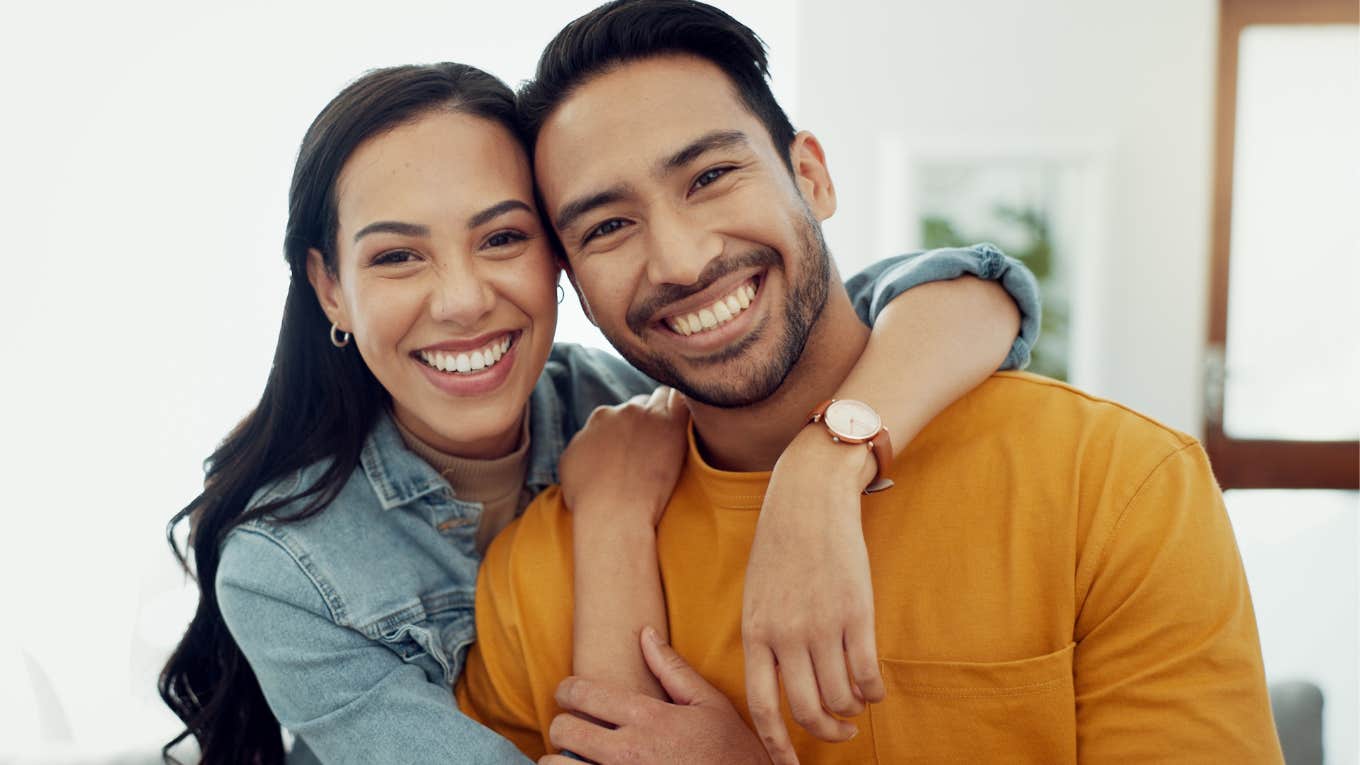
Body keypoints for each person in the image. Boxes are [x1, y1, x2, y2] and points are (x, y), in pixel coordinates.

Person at [455, 2, 1287, 763]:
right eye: (607, 226)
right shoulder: (540, 574)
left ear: (810, 177)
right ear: (573, 284)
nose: (681, 259)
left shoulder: (1115, 483)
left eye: (710, 177)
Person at [157, 62, 1041, 764]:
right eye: (397, 256)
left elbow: (947, 291)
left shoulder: (638, 393)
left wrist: (826, 463)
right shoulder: (286, 570)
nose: (463, 300)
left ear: (562, 261)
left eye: (503, 237)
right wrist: (613, 515)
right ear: (330, 289)